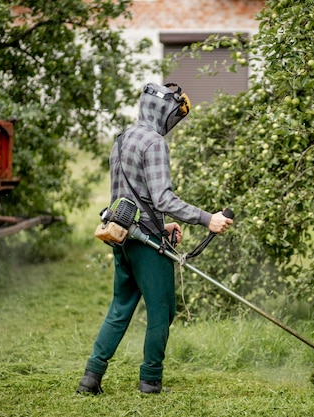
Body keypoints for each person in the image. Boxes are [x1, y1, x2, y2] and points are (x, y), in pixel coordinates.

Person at [77, 82, 233, 395]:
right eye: (173, 114)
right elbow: (161, 199)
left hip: (121, 236)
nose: (173, 122)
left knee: (121, 306)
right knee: (162, 311)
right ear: (162, 111)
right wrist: (208, 219)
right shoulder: (154, 143)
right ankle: (150, 380)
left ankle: (90, 378)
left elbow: (128, 197)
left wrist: (164, 227)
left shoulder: (122, 139)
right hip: (146, 244)